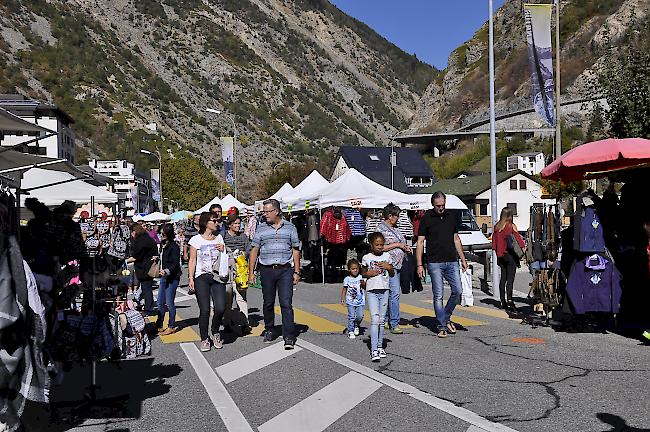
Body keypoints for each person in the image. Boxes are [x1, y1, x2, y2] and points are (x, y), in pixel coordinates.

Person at [248, 199, 301, 349]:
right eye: (263, 212)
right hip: (266, 270)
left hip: (285, 269)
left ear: (276, 211)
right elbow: (254, 250)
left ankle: (289, 335)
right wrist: (251, 272)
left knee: (286, 303)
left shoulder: (290, 227)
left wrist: (297, 271)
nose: (264, 214)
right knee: (268, 302)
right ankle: (269, 329)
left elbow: (296, 249)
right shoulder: (261, 229)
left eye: (267, 211)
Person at [416, 191, 468, 338]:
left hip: (452, 260)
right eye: (438, 205)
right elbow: (420, 242)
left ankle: (445, 316)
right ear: (433, 204)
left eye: (443, 205)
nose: (441, 208)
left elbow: (456, 239)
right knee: (438, 295)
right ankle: (441, 325)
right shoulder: (426, 219)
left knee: (457, 291)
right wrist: (420, 264)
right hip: (434, 262)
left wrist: (463, 259)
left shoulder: (451, 217)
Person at [188, 212, 227, 352]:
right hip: (201, 277)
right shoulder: (195, 240)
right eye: (214, 221)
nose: (217, 223)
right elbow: (192, 260)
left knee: (220, 307)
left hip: (217, 276)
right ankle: (204, 338)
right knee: (204, 310)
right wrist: (191, 278)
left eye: (218, 221)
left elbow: (224, 258)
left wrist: (224, 250)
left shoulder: (219, 238)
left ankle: (215, 330)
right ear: (206, 223)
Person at [377, 203, 411, 334]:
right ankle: (394, 323)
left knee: (392, 293)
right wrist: (397, 245)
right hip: (387, 266)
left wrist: (405, 247)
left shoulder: (396, 229)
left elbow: (401, 243)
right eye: (396, 216)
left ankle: (387, 319)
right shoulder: (380, 229)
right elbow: (379, 247)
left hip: (398, 265)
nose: (398, 218)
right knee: (393, 293)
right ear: (390, 216)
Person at [362, 232, 394, 362]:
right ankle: (374, 349)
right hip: (372, 291)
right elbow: (363, 273)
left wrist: (388, 267)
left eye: (382, 244)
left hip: (384, 290)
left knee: (381, 320)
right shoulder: (366, 257)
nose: (380, 247)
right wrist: (369, 273)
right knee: (375, 320)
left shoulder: (387, 256)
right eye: (377, 245)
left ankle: (380, 346)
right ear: (371, 245)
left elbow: (392, 273)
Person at [491, 207, 526, 311]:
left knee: (503, 278)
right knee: (510, 279)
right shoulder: (511, 226)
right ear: (510, 215)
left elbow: (494, 244)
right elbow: (519, 240)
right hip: (510, 255)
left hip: (501, 256)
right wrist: (524, 252)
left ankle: (503, 302)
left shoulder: (497, 226)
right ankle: (510, 300)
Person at [223, 215, 252, 335]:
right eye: (235, 223)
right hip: (228, 271)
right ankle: (227, 323)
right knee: (228, 300)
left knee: (241, 298)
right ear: (229, 224)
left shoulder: (244, 237)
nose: (237, 225)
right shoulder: (223, 236)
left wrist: (243, 254)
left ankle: (245, 323)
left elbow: (249, 251)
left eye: (239, 223)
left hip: (241, 272)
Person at [127, 223, 158, 315]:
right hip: (148, 266)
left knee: (146, 288)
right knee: (145, 288)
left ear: (134, 231)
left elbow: (136, 256)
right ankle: (141, 302)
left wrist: (125, 261)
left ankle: (148, 308)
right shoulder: (147, 238)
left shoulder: (141, 241)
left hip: (145, 268)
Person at [156, 224, 182, 335]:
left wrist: (166, 270)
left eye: (163, 234)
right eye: (160, 234)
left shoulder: (174, 246)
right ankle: (159, 325)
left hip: (172, 277)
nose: (161, 236)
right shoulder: (163, 245)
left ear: (169, 234)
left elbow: (175, 263)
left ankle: (171, 326)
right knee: (160, 302)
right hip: (164, 277)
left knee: (169, 302)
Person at [340, 259, 364, 339]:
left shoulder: (361, 277)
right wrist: (343, 299)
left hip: (360, 301)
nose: (355, 270)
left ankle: (356, 325)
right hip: (350, 301)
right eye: (353, 269)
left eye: (356, 268)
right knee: (351, 316)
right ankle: (350, 330)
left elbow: (365, 286)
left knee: (360, 316)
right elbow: (344, 289)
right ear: (349, 269)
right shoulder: (347, 279)